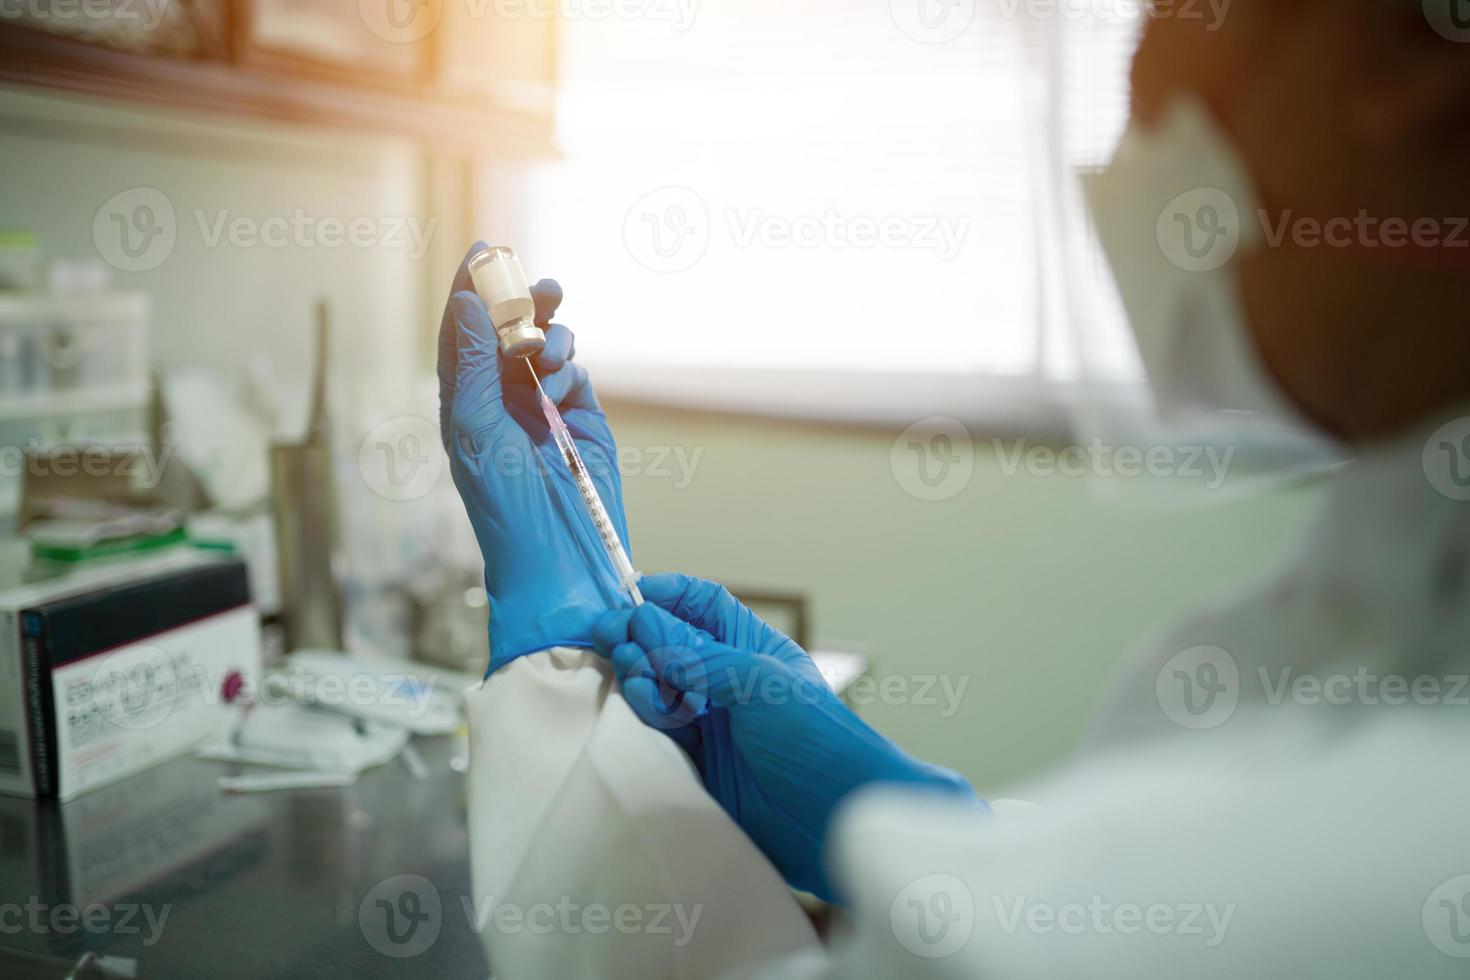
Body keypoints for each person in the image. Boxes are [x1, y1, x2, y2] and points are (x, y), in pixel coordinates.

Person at [438, 2, 1470, 976]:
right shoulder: (1393, 606)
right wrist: (917, 820)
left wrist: (558, 664)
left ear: (1405, 61)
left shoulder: (1394, 837)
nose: (1143, 96)